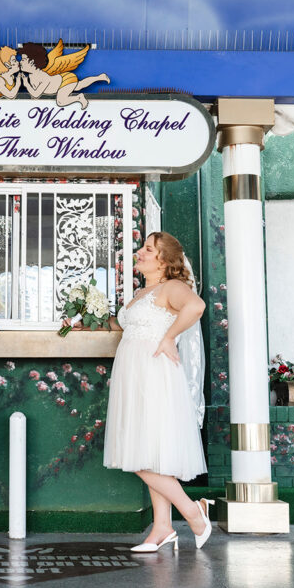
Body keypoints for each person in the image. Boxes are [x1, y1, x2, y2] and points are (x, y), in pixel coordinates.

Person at [72, 231, 211, 551]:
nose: (140, 252)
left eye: (147, 249)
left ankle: (193, 511)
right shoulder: (142, 292)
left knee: (138, 453)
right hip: (133, 374)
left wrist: (169, 337)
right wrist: (92, 319)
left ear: (163, 259)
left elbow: (197, 306)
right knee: (150, 451)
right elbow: (127, 327)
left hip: (154, 374)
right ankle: (162, 528)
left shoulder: (172, 288)